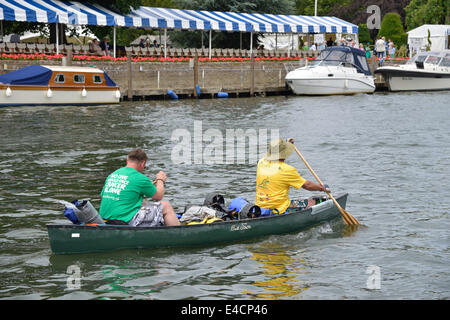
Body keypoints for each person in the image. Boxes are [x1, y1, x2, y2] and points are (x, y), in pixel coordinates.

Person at [99, 148, 180, 227]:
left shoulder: (113, 175)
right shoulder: (140, 178)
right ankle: (178, 233)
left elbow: (104, 196)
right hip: (124, 221)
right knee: (165, 206)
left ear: (127, 160)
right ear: (142, 163)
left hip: (104, 220)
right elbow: (158, 196)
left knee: (142, 202)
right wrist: (160, 180)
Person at [255, 138, 329, 216]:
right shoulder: (287, 170)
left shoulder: (261, 162)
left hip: (260, 208)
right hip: (278, 210)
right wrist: (322, 188)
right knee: (311, 202)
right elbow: (306, 185)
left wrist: (287, 144)